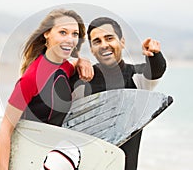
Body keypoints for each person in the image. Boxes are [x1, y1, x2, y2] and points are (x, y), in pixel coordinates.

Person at [0, 8, 93, 170]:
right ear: (46, 34)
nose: (70, 40)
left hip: (52, 158)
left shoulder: (64, 65)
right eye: (63, 32)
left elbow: (70, 65)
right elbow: (6, 129)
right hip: (30, 158)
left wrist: (82, 61)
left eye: (74, 34)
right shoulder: (31, 78)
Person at [70, 17, 167, 170]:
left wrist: (154, 55)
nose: (104, 45)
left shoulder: (136, 77)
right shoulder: (82, 78)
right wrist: (75, 61)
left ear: (122, 42)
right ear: (92, 49)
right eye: (97, 41)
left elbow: (156, 70)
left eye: (109, 38)